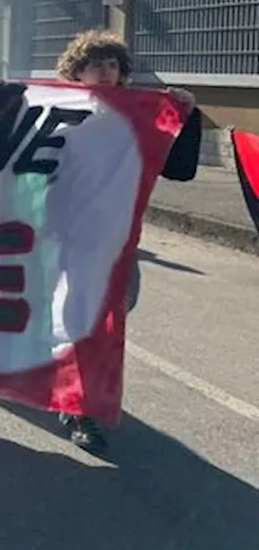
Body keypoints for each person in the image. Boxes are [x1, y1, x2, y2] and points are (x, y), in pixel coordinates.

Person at [52, 28, 200, 452]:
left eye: (112, 63)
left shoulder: (139, 116)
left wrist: (186, 118)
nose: (105, 70)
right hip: (64, 237)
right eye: (94, 63)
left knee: (114, 309)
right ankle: (76, 407)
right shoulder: (56, 113)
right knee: (83, 321)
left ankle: (68, 390)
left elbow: (178, 169)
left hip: (116, 245)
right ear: (75, 72)